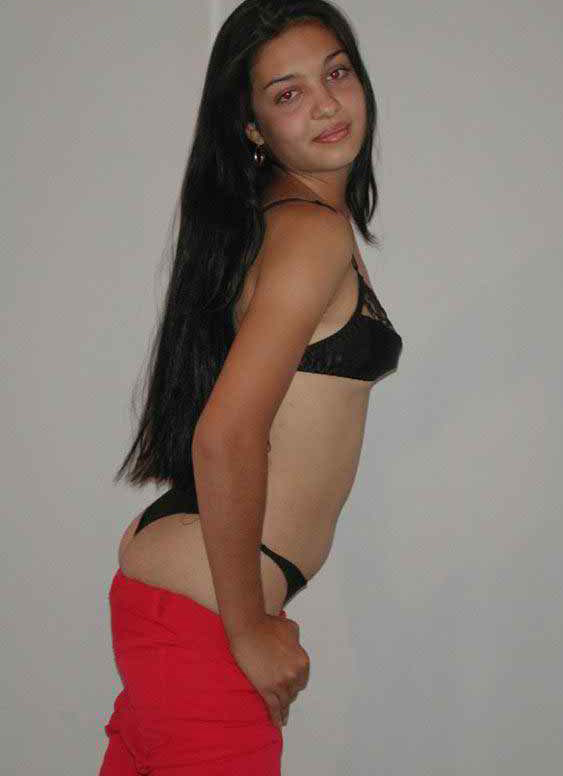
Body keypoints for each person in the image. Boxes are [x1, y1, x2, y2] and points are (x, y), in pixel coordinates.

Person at [98, 1, 403, 774]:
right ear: (252, 128)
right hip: (204, 617)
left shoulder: (285, 220)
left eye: (336, 72)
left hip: (175, 602)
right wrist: (247, 630)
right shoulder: (309, 232)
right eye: (287, 92)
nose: (326, 103)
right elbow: (224, 434)